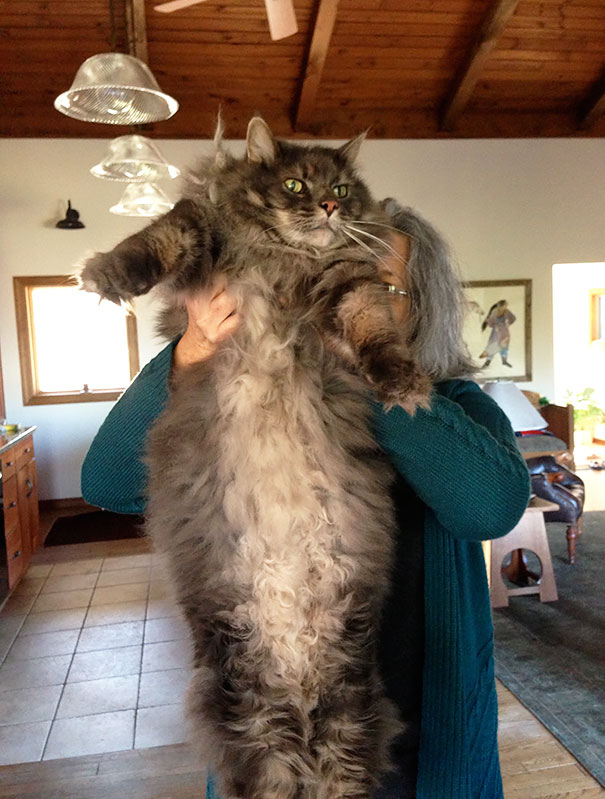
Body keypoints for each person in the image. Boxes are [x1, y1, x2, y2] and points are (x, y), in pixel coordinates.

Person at [81, 204, 530, 799]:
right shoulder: (238, 401)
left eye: (376, 287)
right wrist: (192, 352)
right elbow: (107, 482)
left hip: (416, 742)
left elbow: (490, 509)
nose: (337, 299)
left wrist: (363, 369)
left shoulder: (462, 408)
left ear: (422, 306)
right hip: (269, 744)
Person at [479, 300, 517, 369]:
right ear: (501, 305)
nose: (505, 307)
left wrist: (507, 323)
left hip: (505, 332)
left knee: (504, 347)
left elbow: (513, 318)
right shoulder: (495, 312)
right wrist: (495, 325)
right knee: (493, 347)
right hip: (496, 333)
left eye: (506, 305)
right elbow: (490, 323)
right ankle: (487, 362)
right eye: (505, 305)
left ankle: (504, 361)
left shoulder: (507, 312)